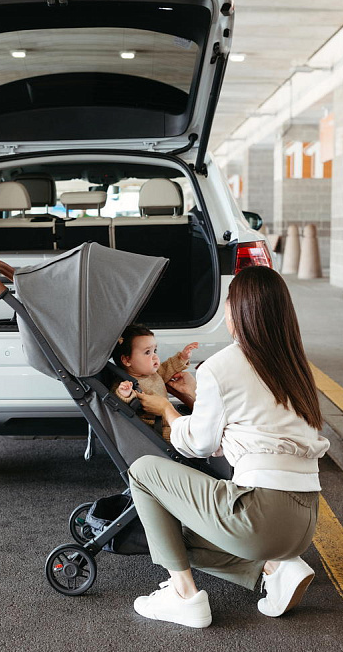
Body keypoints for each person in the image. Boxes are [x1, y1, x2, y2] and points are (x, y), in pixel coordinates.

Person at [127, 266, 330, 628]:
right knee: (176, 534)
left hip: (262, 517)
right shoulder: (296, 365)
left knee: (143, 473)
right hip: (305, 520)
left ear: (237, 311)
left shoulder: (222, 365)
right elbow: (252, 426)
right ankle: (275, 568)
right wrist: (195, 398)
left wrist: (167, 410)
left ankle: (184, 596)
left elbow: (197, 444)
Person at [111, 324, 198, 441]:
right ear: (127, 360)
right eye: (147, 352)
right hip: (156, 430)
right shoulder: (125, 383)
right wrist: (125, 394)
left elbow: (168, 367)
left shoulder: (154, 374)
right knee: (193, 435)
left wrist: (182, 358)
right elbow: (120, 402)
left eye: (154, 351)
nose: (155, 357)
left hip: (169, 419)